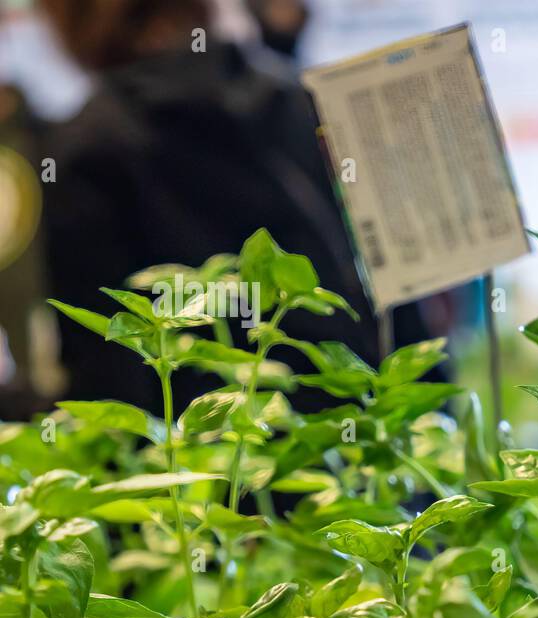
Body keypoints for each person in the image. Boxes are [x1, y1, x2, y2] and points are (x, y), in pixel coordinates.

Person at [37, 0, 428, 414]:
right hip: (356, 428)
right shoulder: (300, 101)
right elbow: (396, 299)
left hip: (208, 445)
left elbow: (109, 385)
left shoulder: (83, 152)